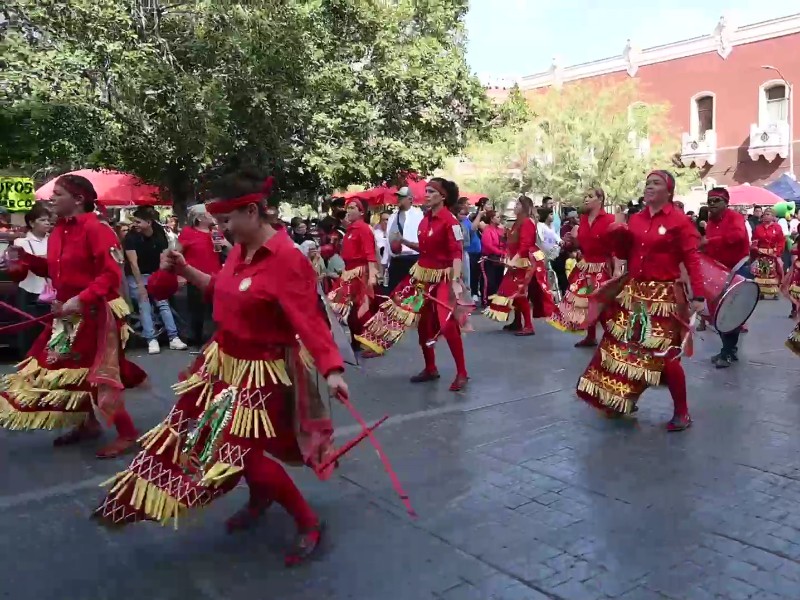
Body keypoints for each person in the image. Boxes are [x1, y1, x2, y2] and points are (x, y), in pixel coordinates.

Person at [94, 171, 350, 567]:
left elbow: (310, 322)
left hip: (260, 374)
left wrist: (333, 369)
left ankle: (308, 521)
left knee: (240, 453)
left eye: (227, 221)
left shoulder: (286, 259)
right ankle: (261, 497)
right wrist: (183, 271)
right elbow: (222, 290)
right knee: (205, 439)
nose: (221, 230)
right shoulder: (240, 248)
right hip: (219, 365)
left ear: (252, 211)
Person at [0, 174, 146, 457]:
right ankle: (88, 424)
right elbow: (55, 271)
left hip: (97, 313)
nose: (50, 198)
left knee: (98, 376)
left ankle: (127, 433)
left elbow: (110, 275)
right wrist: (25, 259)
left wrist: (80, 299)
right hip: (69, 313)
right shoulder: (58, 232)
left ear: (78, 199)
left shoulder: (98, 229)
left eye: (58, 193)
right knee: (69, 374)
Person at [575, 170, 705, 432]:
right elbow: (625, 253)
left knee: (666, 356)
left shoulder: (679, 222)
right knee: (622, 349)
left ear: (669, 191)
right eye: (647, 183)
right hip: (634, 294)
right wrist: (618, 238)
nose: (649, 187)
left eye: (656, 183)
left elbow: (692, 259)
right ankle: (620, 400)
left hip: (664, 297)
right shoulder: (636, 219)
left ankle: (682, 412)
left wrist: (699, 295)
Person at [355, 178, 471, 391]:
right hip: (421, 275)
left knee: (447, 324)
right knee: (422, 323)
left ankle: (462, 372)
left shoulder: (451, 222)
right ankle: (430, 367)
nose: (425, 194)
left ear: (442, 196)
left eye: (430, 191)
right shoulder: (425, 220)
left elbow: (456, 254)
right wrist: (406, 243)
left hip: (444, 277)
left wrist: (455, 281)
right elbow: (425, 248)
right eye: (425, 191)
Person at [547, 187, 615, 347]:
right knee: (584, 302)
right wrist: (570, 241)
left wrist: (616, 268)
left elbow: (615, 246)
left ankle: (612, 339)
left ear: (600, 199)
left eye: (590, 196)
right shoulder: (583, 220)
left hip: (603, 266)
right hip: (585, 265)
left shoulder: (610, 219)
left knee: (602, 303)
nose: (585, 199)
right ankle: (591, 336)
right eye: (585, 195)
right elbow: (579, 245)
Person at [484, 196, 553, 335]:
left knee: (518, 292)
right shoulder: (517, 222)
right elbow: (514, 243)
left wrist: (513, 260)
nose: (515, 206)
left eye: (517, 204)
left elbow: (525, 245)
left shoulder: (527, 222)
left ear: (524, 206)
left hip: (525, 260)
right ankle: (517, 322)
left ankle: (528, 325)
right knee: (512, 292)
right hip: (517, 259)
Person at [125, 206, 188, 354]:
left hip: (154, 272)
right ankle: (151, 339)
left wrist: (161, 279)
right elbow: (133, 263)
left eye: (138, 222)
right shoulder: (130, 237)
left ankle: (174, 337)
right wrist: (140, 286)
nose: (135, 225)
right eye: (134, 221)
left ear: (148, 222)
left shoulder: (159, 234)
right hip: (137, 275)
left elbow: (163, 257)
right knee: (144, 304)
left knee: (163, 302)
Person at [702, 188, 750, 368]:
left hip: (737, 269)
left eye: (716, 200)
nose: (712, 204)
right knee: (718, 313)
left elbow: (737, 236)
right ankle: (728, 349)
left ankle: (728, 351)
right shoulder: (710, 222)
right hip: (719, 271)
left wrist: (709, 242)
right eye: (710, 201)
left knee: (731, 313)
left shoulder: (735, 217)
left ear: (726, 203)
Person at [326, 198, 378, 350]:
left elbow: (370, 253)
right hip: (348, 271)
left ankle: (371, 343)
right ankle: (357, 340)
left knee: (359, 306)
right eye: (348, 207)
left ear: (361, 212)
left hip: (359, 272)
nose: (349, 210)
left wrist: (372, 274)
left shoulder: (363, 228)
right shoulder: (350, 229)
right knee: (352, 308)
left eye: (353, 207)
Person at [177, 203, 224, 351]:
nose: (212, 216)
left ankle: (213, 340)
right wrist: (180, 274)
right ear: (199, 218)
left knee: (214, 309)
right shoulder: (187, 233)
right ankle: (196, 340)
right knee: (196, 309)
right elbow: (177, 252)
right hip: (195, 277)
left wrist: (223, 243)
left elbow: (225, 249)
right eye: (209, 214)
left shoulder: (215, 232)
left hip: (214, 276)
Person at [13, 203, 53, 353]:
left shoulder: (55, 240)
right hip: (30, 292)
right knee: (30, 333)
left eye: (49, 220)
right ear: (31, 222)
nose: (47, 223)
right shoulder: (21, 243)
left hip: (53, 293)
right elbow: (26, 262)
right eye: (43, 220)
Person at [385, 187, 423, 292]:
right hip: (396, 260)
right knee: (393, 292)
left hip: (413, 259)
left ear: (410, 199)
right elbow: (388, 239)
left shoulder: (419, 215)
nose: (398, 199)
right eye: (398, 197)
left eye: (402, 197)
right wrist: (386, 262)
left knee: (411, 292)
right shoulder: (393, 217)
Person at [750, 207, 784, 300]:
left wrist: (777, 251)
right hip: (761, 253)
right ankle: (760, 291)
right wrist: (755, 247)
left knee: (774, 272)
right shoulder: (758, 227)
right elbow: (754, 239)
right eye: (765, 214)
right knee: (761, 272)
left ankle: (774, 291)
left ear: (773, 216)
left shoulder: (777, 227)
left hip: (772, 253)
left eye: (768, 214)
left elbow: (781, 241)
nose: (765, 216)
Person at [479, 210, 505, 303]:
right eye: (497, 217)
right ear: (491, 219)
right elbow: (488, 245)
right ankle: (486, 301)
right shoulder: (487, 230)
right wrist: (500, 252)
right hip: (489, 259)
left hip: (499, 259)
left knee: (499, 280)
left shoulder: (501, 230)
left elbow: (504, 243)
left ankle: (496, 301)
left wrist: (504, 252)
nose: (499, 219)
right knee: (489, 281)